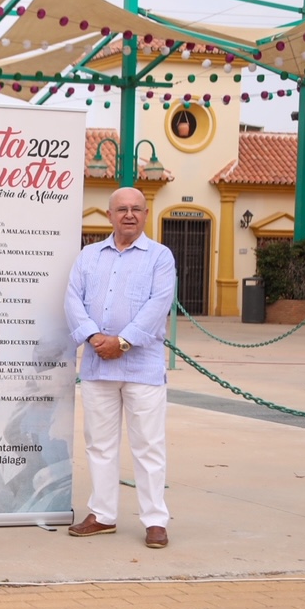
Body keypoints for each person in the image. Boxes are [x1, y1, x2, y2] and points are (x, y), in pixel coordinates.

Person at [63, 186, 177, 549]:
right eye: (121, 209)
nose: (129, 214)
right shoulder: (88, 256)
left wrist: (123, 342)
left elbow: (158, 304)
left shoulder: (160, 257)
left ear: (145, 215)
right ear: (109, 215)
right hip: (98, 365)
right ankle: (102, 515)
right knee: (100, 444)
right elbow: (72, 300)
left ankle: (155, 520)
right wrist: (95, 338)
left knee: (148, 446)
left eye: (136, 209)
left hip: (142, 366)